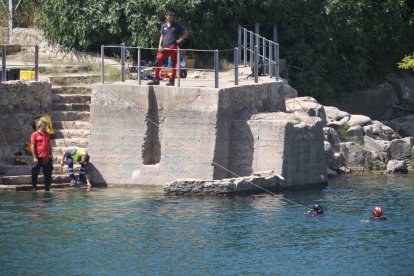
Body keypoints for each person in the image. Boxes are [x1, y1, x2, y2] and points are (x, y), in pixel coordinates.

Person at [147, 10, 189, 86]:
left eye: (171, 17)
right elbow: (162, 36)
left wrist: (181, 39)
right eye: (169, 17)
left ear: (173, 17)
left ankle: (172, 81)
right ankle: (156, 79)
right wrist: (159, 45)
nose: (170, 18)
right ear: (166, 17)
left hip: (173, 47)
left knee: (173, 64)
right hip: (164, 47)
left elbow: (186, 32)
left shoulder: (177, 26)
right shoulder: (164, 26)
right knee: (158, 61)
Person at [31, 119, 53, 191]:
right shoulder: (35, 134)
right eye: (45, 126)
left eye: (46, 126)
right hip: (38, 157)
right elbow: (33, 146)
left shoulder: (47, 134)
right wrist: (34, 157)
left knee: (48, 172)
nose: (46, 127)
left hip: (46, 157)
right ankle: (34, 187)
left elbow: (49, 145)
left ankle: (47, 187)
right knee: (35, 172)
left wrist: (51, 154)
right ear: (40, 125)